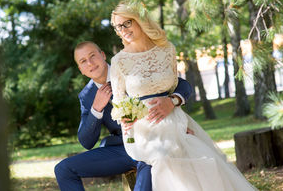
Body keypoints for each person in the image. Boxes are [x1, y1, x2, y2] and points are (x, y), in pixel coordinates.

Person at [110, 0, 257, 191]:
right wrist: (126, 121)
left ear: (139, 19)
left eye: (127, 23)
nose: (123, 30)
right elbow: (119, 102)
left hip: (175, 119)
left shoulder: (167, 49)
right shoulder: (119, 61)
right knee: (164, 158)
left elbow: (176, 85)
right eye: (118, 26)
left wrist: (172, 101)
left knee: (202, 156)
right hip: (144, 129)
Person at [54, 41, 193, 191]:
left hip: (153, 141)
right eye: (83, 61)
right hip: (121, 150)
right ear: (80, 69)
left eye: (92, 56)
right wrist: (96, 109)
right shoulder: (86, 96)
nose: (90, 63)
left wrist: (172, 101)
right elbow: (86, 141)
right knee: (63, 169)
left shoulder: (131, 69)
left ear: (102, 55)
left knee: (148, 166)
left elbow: (181, 84)